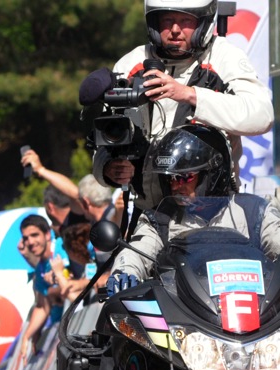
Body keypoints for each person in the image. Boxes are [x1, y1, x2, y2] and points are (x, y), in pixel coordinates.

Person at [76, 124, 280, 370]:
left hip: (250, 322)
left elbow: (275, 241)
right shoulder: (161, 217)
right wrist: (123, 274)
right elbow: (138, 250)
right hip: (188, 324)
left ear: (213, 173)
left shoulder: (253, 212)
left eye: (186, 177)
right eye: (171, 180)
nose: (177, 187)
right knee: (118, 328)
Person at [93, 1, 273, 212]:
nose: (175, 29)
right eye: (167, 20)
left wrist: (191, 95)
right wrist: (108, 168)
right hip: (149, 213)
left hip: (213, 211)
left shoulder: (225, 57)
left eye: (185, 20)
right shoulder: (132, 63)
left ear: (203, 23)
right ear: (154, 23)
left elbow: (262, 116)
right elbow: (106, 137)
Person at [19, 215, 71, 357]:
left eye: (34, 235)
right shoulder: (39, 269)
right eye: (26, 238)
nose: (30, 242)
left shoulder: (61, 246)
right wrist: (27, 336)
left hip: (78, 322)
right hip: (59, 329)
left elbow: (73, 281)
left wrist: (53, 289)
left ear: (47, 234)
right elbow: (42, 306)